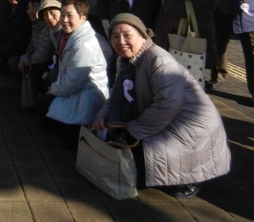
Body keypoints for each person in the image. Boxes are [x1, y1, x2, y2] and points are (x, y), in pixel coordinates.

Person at [92, 14, 230, 198]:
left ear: (142, 36)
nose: (121, 41)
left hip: (190, 129)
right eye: (115, 36)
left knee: (135, 166)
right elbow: (116, 94)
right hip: (164, 121)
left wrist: (134, 130)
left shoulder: (160, 61)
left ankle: (189, 178)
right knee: (121, 153)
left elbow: (167, 105)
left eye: (127, 35)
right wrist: (102, 116)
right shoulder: (127, 61)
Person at [36, 0, 109, 138]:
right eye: (62, 14)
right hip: (77, 94)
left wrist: (54, 89)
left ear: (82, 18)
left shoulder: (83, 44)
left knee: (42, 104)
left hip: (85, 100)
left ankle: (74, 133)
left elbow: (72, 83)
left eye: (69, 15)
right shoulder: (71, 36)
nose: (64, 20)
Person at [18, 0, 63, 95]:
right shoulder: (47, 29)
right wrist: (24, 59)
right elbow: (31, 48)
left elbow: (43, 53)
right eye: (46, 14)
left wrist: (25, 61)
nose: (49, 17)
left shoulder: (59, 30)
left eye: (52, 13)